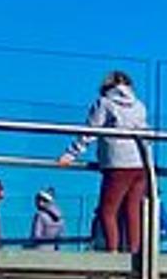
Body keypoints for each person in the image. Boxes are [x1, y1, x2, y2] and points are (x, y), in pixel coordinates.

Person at [59, 71, 151, 255]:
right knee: (132, 210)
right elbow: (146, 135)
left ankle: (112, 252)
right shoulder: (139, 106)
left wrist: (70, 154)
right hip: (140, 163)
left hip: (118, 163)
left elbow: (90, 131)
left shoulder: (104, 103)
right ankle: (135, 254)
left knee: (107, 211)